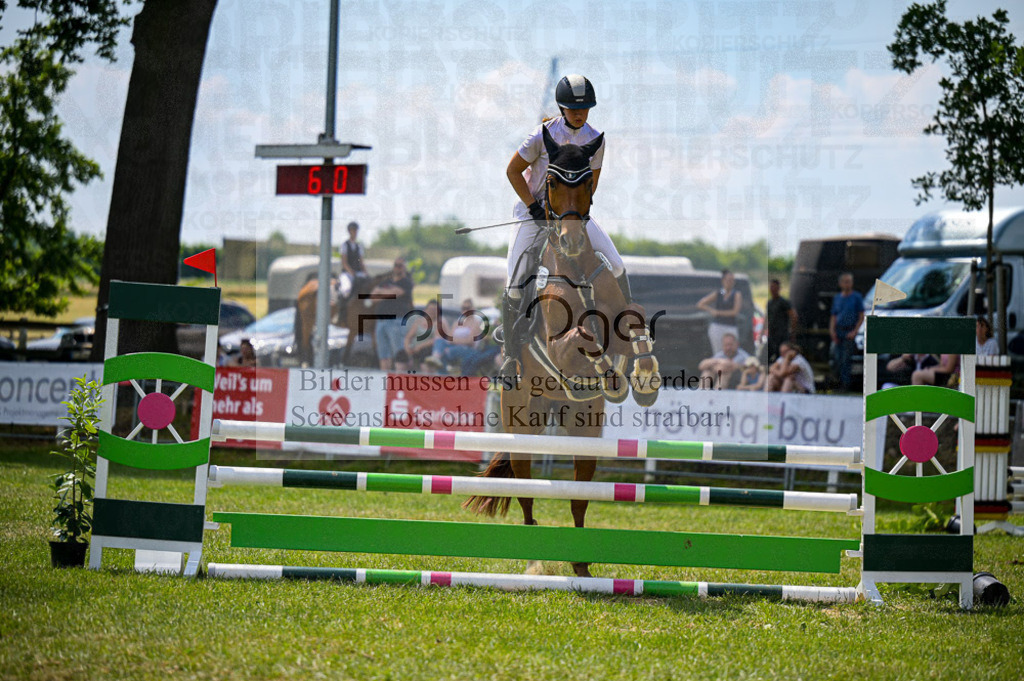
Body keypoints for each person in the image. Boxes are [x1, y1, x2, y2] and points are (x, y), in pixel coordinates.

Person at [499, 74, 632, 379]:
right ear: (561, 107)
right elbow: (513, 171)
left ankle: (627, 336)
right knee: (515, 280)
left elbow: (591, 185)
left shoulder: (596, 138)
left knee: (616, 263)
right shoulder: (541, 135)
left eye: (585, 107)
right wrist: (534, 207)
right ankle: (511, 356)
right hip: (532, 214)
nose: (579, 112)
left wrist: (573, 216)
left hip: (572, 216)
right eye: (573, 107)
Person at [371, 257, 414, 372]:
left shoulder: (406, 283)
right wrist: (389, 292)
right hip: (381, 321)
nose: (397, 268)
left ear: (404, 268)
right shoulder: (386, 282)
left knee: (398, 353)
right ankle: (385, 379)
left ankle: (400, 379)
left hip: (396, 320)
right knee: (383, 354)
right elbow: (373, 296)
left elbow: (397, 293)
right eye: (396, 265)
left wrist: (382, 292)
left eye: (400, 265)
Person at [829, 272, 864, 392]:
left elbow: (861, 315)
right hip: (839, 331)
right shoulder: (837, 298)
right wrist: (832, 330)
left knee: (846, 359)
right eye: (845, 281)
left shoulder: (857, 297)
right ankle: (836, 382)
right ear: (840, 283)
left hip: (849, 331)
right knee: (836, 358)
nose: (847, 284)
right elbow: (834, 315)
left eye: (849, 281)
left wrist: (855, 331)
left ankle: (845, 385)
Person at [698, 269, 743, 356]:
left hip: (730, 326)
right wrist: (711, 310)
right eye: (727, 280)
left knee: (732, 350)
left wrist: (718, 312)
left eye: (731, 280)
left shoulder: (736, 294)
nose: (729, 282)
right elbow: (701, 304)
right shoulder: (719, 293)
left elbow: (735, 312)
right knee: (718, 351)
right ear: (723, 281)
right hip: (717, 325)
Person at [761, 278, 797, 364]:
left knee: (780, 357)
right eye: (771, 287)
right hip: (772, 335)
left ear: (778, 288)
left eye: (774, 287)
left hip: (782, 335)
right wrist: (762, 332)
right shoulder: (769, 303)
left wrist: (792, 332)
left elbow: (794, 316)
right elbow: (767, 318)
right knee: (763, 357)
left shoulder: (784, 302)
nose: (772, 289)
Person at [399, 299, 441, 372]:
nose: (432, 311)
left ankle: (425, 378)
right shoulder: (418, 322)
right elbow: (408, 337)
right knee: (401, 354)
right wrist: (407, 348)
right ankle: (399, 377)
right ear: (425, 310)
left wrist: (419, 347)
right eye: (430, 309)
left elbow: (436, 339)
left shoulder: (438, 324)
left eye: (434, 310)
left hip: (427, 349)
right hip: (414, 348)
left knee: (425, 356)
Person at [339, 221, 368, 300]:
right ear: (349, 231)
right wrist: (351, 272)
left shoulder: (359, 246)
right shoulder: (344, 245)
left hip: (358, 272)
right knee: (346, 289)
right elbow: (344, 262)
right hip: (347, 273)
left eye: (356, 230)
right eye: (353, 230)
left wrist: (365, 273)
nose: (355, 232)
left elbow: (361, 262)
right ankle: (342, 308)